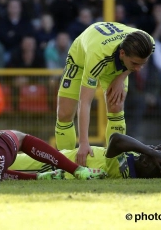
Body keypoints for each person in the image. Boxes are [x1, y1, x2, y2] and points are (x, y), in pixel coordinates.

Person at [55, 21, 155, 167]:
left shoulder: (147, 42)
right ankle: (65, 164)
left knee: (116, 106)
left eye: (142, 64)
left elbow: (137, 61)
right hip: (82, 59)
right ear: (122, 53)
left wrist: (121, 77)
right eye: (135, 64)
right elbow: (85, 102)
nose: (139, 69)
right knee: (64, 114)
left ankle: (116, 163)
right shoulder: (97, 57)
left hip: (116, 62)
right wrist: (84, 143)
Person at [10, 132, 161, 179]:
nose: (148, 151)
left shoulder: (124, 170)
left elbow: (116, 139)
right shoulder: (136, 158)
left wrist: (152, 153)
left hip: (48, 166)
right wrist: (154, 151)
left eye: (150, 157)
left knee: (2, 162)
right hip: (57, 157)